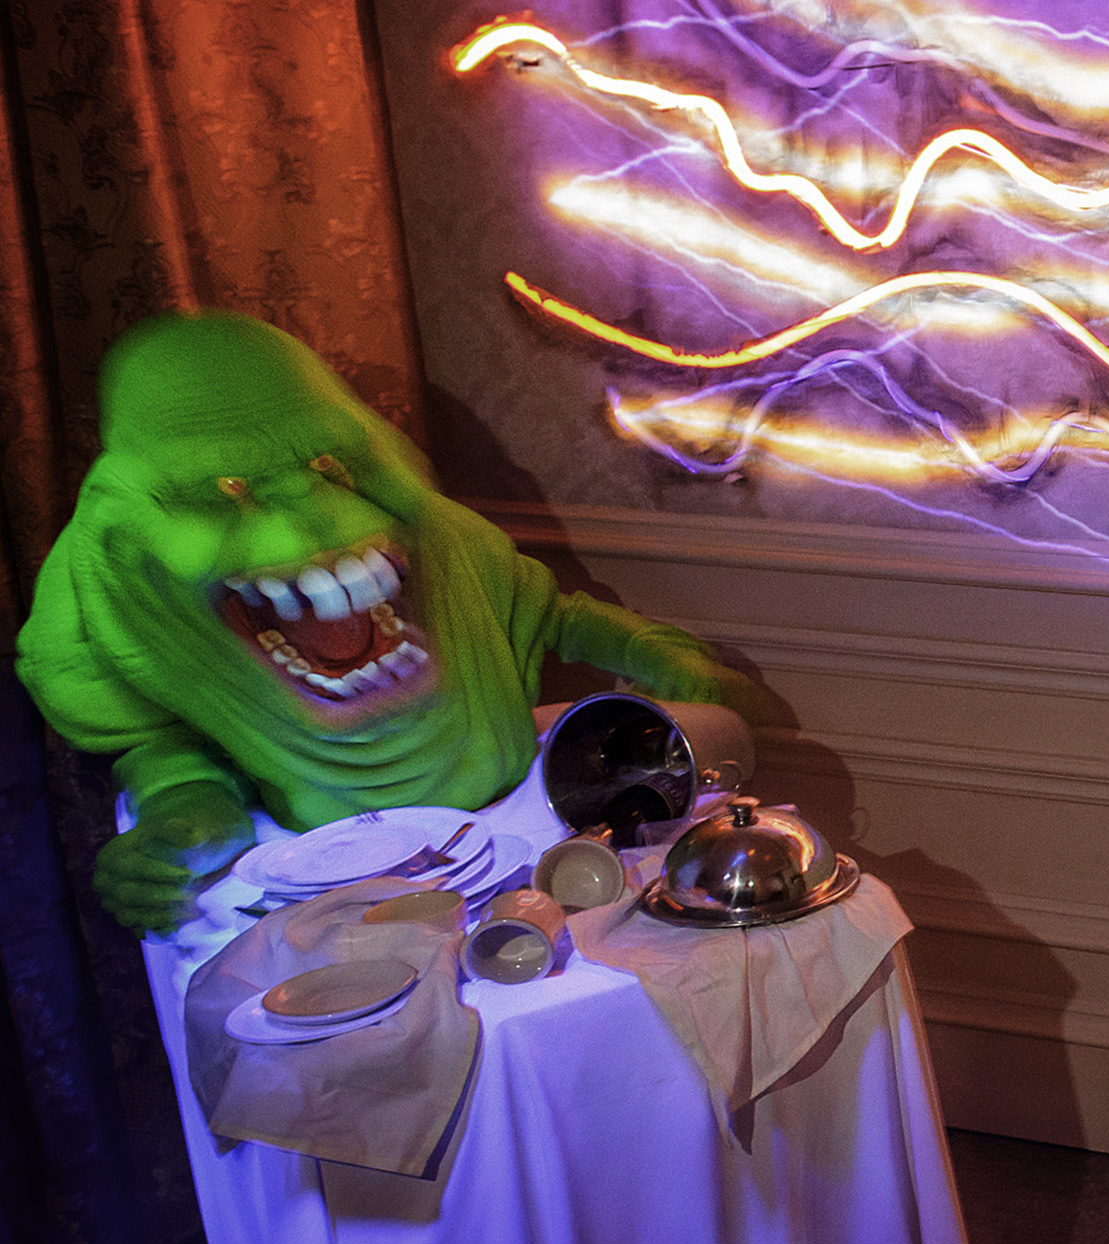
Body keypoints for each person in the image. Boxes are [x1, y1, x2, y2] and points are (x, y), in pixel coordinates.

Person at [17, 313, 781, 934]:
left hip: (529, 831)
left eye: (326, 466)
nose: (314, 521)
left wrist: (664, 656)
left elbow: (555, 615)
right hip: (324, 882)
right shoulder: (137, 598)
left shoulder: (438, 545)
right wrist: (188, 811)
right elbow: (159, 737)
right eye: (228, 490)